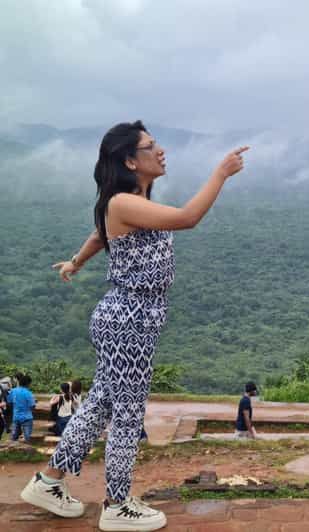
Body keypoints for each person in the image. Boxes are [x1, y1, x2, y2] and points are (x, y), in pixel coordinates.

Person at [20, 120, 249, 532]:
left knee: (100, 406)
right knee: (127, 413)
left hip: (132, 317)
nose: (160, 150)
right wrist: (220, 173)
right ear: (129, 160)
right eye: (150, 146)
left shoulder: (131, 201)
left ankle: (48, 481)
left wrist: (76, 261)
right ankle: (117, 503)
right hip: (129, 318)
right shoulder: (123, 202)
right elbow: (187, 217)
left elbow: (99, 234)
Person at [9, 374, 35, 442]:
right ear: (28, 384)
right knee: (27, 437)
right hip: (27, 417)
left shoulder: (13, 391)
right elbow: (32, 406)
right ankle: (26, 449)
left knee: (14, 435)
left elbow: (10, 402)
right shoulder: (29, 393)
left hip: (16, 416)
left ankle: (11, 448)